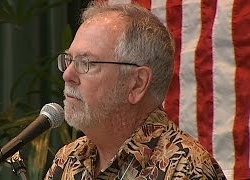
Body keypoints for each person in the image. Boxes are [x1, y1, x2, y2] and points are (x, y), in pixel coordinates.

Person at [45, 1, 226, 179]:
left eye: (86, 63)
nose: (67, 75)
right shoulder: (67, 159)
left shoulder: (187, 168)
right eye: (69, 60)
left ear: (137, 83)